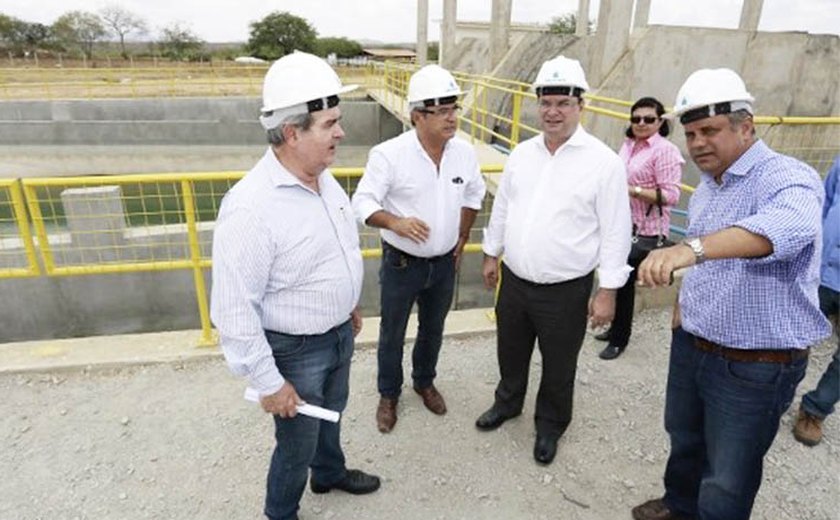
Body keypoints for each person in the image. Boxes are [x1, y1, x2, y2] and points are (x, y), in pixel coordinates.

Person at [632, 68, 831, 520]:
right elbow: (703, 261)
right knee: (683, 438)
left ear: (746, 126)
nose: (698, 143)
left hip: (754, 364)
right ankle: (679, 507)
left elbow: (786, 228)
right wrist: (682, 311)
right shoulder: (708, 187)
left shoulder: (788, 178)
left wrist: (689, 249)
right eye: (691, 133)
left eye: (710, 131)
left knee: (727, 478)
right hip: (694, 343)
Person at [210, 52, 380, 520]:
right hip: (295, 351)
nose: (341, 133)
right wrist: (269, 382)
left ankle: (329, 473)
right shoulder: (250, 209)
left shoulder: (321, 179)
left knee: (333, 413)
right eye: (329, 125)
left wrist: (348, 304)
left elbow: (332, 249)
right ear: (291, 133)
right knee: (295, 443)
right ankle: (280, 512)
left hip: (338, 334)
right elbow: (233, 311)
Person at [475, 55, 632, 465]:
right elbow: (505, 206)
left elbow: (616, 230)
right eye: (546, 102)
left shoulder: (603, 163)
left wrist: (608, 291)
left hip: (565, 288)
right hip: (515, 279)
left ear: (581, 105)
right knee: (510, 350)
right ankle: (508, 404)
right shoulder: (522, 154)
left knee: (559, 365)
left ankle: (550, 425)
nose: (553, 111)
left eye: (563, 102)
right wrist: (492, 252)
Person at [352, 64, 486, 433]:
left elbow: (474, 194)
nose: (451, 117)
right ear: (417, 116)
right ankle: (388, 394)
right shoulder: (388, 155)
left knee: (433, 328)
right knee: (393, 331)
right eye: (441, 110)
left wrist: (461, 237)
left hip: (444, 263)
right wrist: (395, 222)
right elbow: (361, 202)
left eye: (454, 108)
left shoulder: (463, 153)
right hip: (402, 264)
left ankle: (424, 381)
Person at [596, 96, 684, 360]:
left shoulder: (664, 151)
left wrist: (631, 190)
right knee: (618, 278)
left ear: (660, 122)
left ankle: (619, 338)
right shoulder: (630, 145)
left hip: (646, 229)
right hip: (623, 224)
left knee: (623, 283)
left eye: (649, 119)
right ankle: (614, 330)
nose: (641, 123)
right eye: (636, 119)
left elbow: (671, 195)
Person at [793, 153, 840, 446]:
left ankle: (815, 410)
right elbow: (824, 204)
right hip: (824, 271)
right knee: (795, 336)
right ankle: (776, 394)